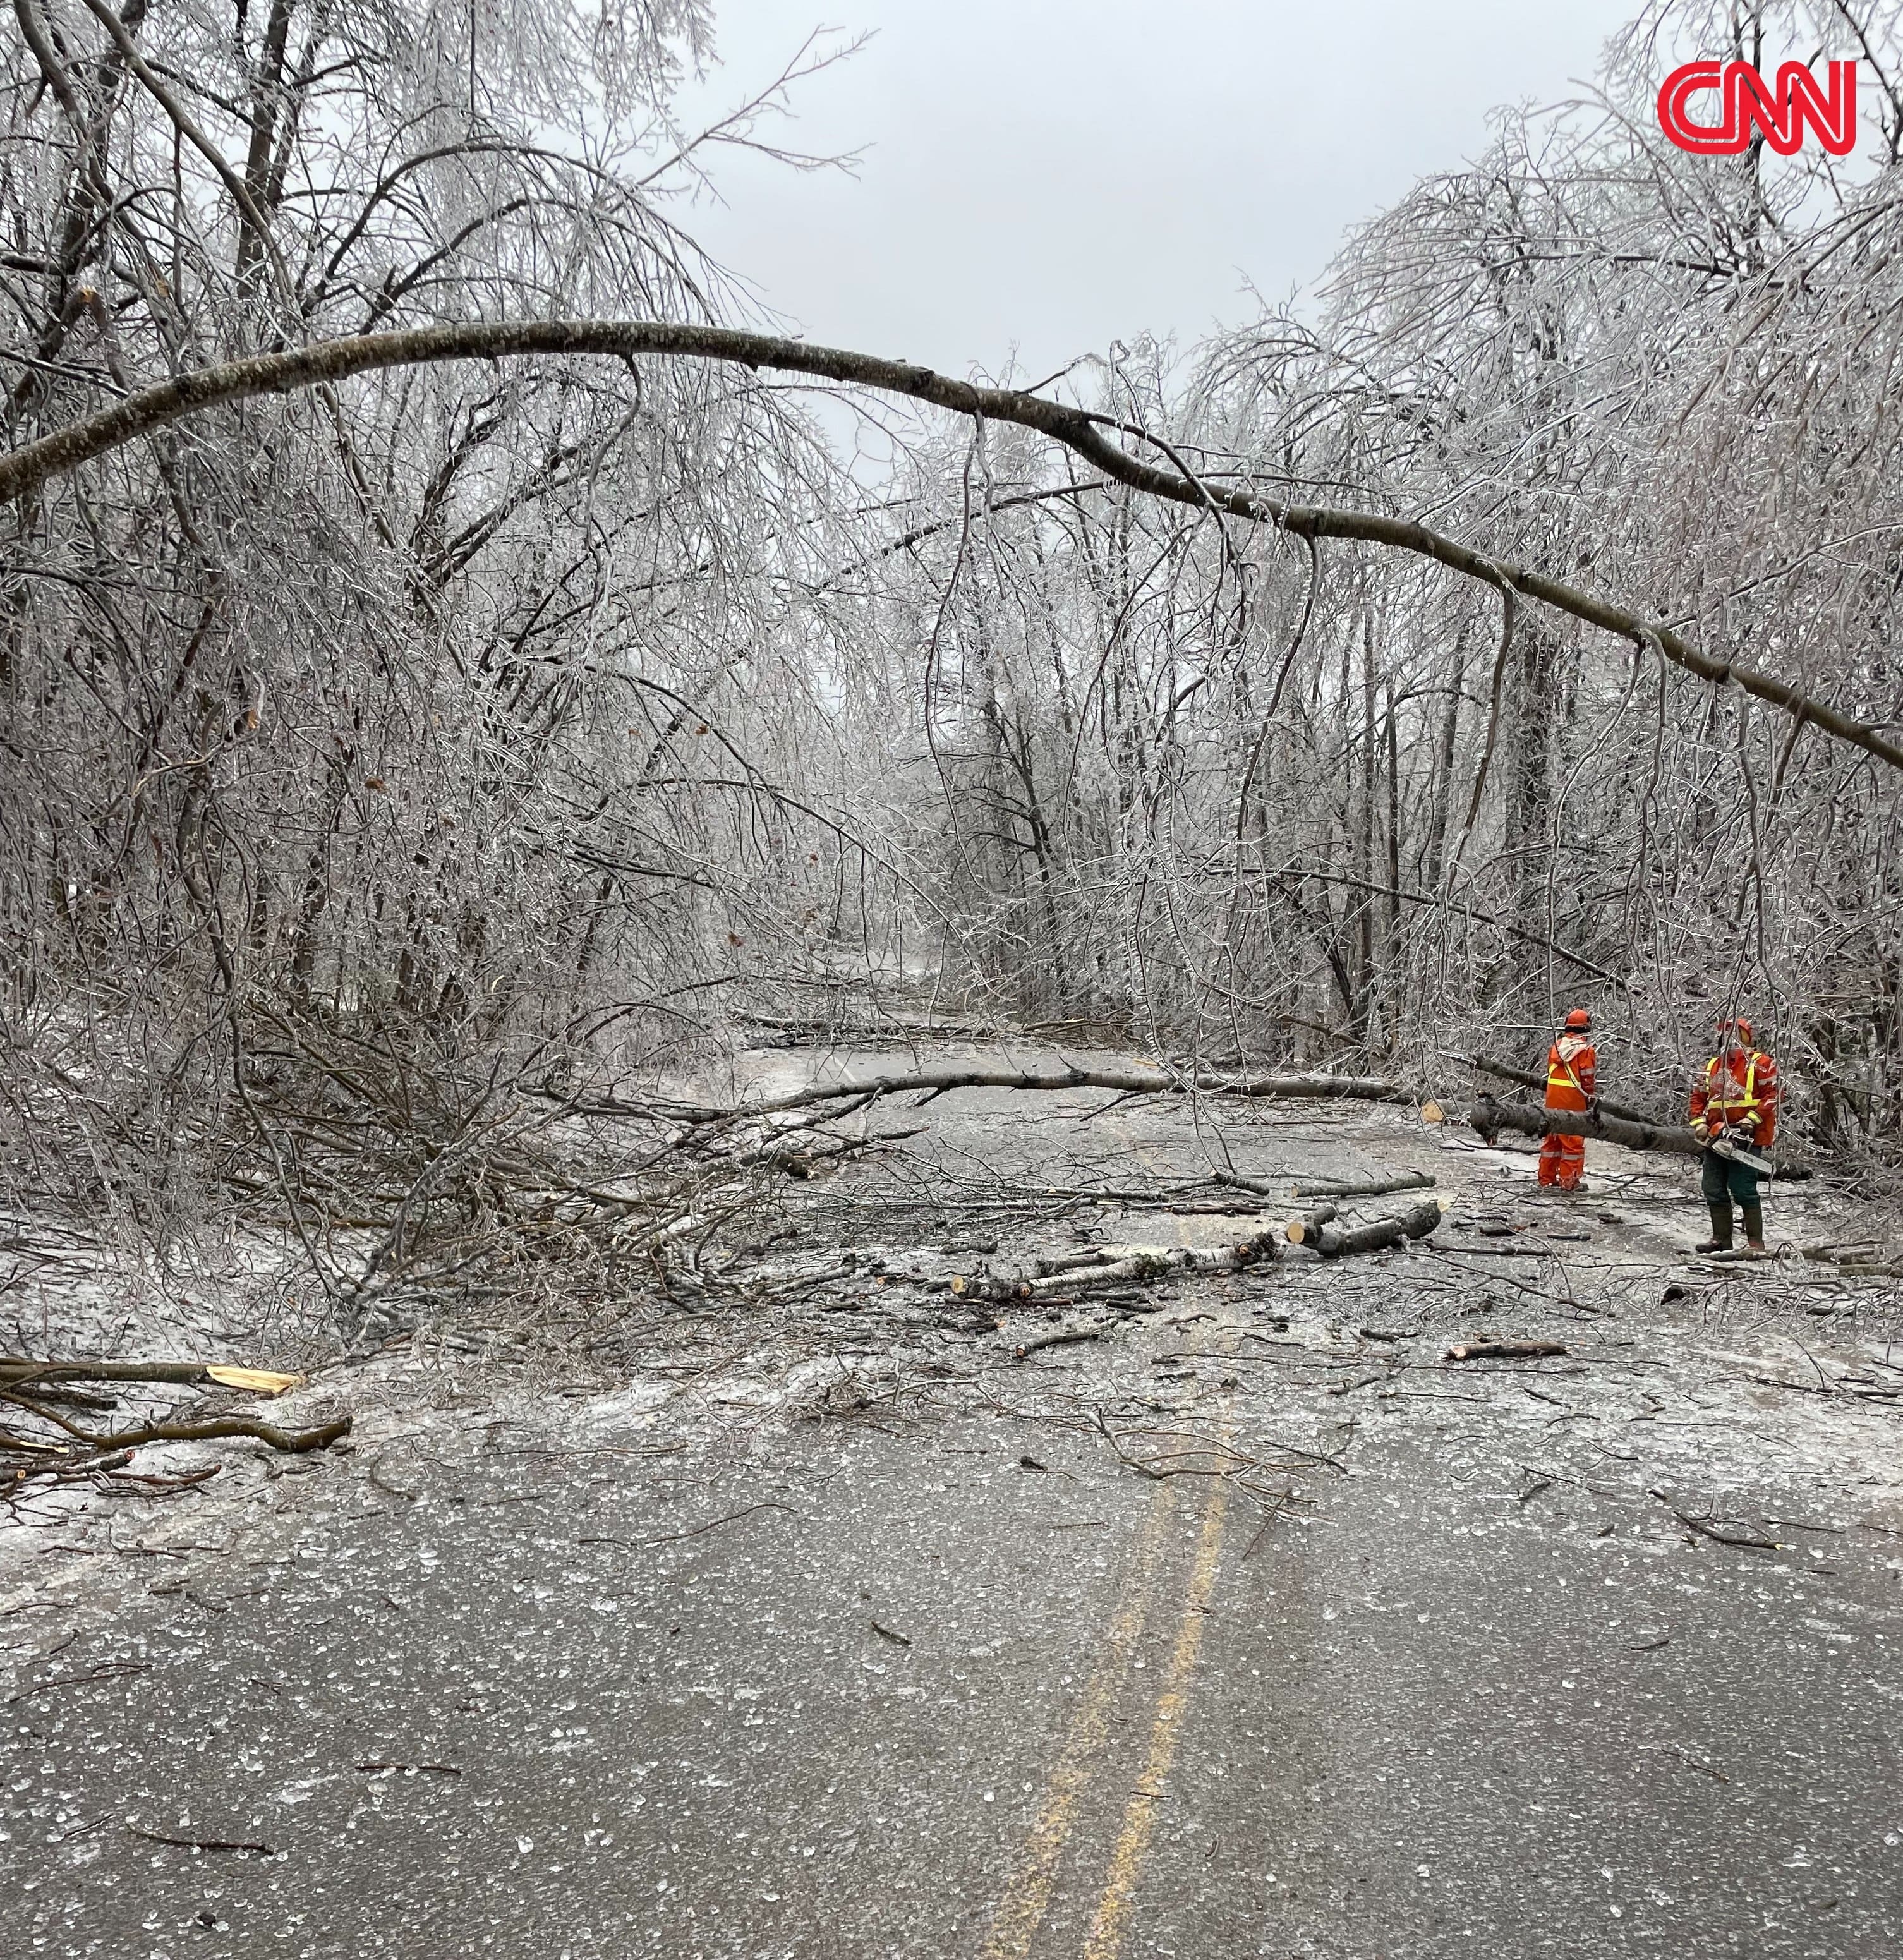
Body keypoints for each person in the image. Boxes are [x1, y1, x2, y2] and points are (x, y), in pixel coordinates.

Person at [1689, 1016, 1780, 1254]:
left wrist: (1752, 1119)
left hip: (1747, 1136)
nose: (1730, 1040)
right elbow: (1698, 1097)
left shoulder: (1761, 1063)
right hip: (1716, 1136)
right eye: (1726, 1034)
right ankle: (1721, 1239)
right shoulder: (1713, 1066)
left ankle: (1755, 1243)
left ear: (1745, 1037)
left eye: (1735, 1035)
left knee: (1743, 1189)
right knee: (1713, 1187)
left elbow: (1773, 1095)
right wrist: (1700, 1124)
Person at [1538, 1007, 1596, 1192]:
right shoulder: (1586, 1050)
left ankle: (1546, 1179)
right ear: (1586, 1028)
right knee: (1572, 1144)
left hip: (1552, 1100)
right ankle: (1569, 1182)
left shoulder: (1556, 1047)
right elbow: (1587, 1080)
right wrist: (1590, 1098)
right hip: (1573, 1102)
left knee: (1552, 1141)